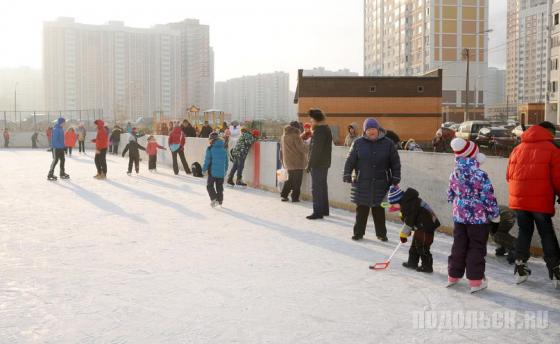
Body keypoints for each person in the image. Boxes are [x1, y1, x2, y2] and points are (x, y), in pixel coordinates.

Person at [506, 121, 560, 287]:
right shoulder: (553, 149)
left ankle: (520, 266)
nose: (553, 136)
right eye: (552, 133)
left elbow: (509, 175)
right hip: (540, 200)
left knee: (524, 232)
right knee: (546, 233)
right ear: (547, 132)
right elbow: (558, 178)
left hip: (519, 200)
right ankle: (556, 269)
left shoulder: (517, 148)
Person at [447, 138, 500, 293]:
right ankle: (476, 281)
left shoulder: (454, 173)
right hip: (478, 218)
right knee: (476, 247)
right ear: (473, 155)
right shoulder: (480, 175)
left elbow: (450, 195)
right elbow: (488, 197)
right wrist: (495, 216)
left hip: (459, 216)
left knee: (459, 245)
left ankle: (453, 276)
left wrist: (460, 203)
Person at [343, 117, 401, 237]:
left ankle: (381, 234)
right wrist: (347, 173)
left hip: (381, 182)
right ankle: (358, 233)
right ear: (365, 131)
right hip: (362, 182)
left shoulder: (388, 143)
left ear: (378, 129)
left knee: (379, 210)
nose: (371, 131)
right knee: (361, 210)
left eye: (373, 128)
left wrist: (396, 177)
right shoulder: (358, 143)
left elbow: (395, 162)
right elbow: (350, 160)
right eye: (368, 129)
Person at [388, 185, 440, 273]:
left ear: (398, 201)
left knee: (422, 246)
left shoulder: (409, 205)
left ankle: (427, 266)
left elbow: (409, 221)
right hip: (420, 225)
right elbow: (410, 219)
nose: (393, 206)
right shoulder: (407, 202)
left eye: (393, 204)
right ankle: (412, 263)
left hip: (426, 225)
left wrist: (403, 234)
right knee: (415, 244)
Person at [306, 109, 333, 220]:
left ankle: (318, 212)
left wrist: (310, 164)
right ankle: (324, 210)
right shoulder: (326, 129)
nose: (311, 121)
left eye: (311, 119)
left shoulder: (319, 131)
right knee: (322, 187)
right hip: (324, 163)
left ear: (315, 119)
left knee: (316, 188)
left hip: (318, 164)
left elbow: (316, 150)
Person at [280, 124, 307, 203]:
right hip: (297, 162)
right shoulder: (295, 136)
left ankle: (284, 195)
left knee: (289, 180)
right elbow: (302, 148)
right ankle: (295, 197)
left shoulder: (284, 136)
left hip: (288, 162)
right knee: (297, 181)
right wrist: (310, 146)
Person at [202, 132, 229, 207]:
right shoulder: (224, 149)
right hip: (221, 172)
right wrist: (225, 170)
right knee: (219, 187)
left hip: (212, 172)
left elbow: (207, 160)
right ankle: (220, 200)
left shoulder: (210, 149)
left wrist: (204, 169)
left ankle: (214, 199)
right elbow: (226, 162)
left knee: (209, 186)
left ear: (212, 140)